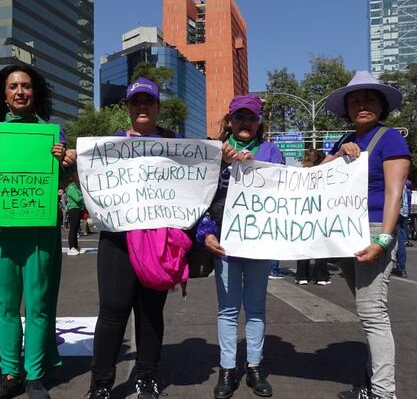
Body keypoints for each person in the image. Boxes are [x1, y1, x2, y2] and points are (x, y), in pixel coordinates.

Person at [0, 64, 76, 399]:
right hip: (1, 231)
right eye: (13, 86)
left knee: (39, 305)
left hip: (39, 234)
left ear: (36, 93)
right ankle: (9, 373)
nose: (20, 92)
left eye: (27, 86)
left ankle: (34, 375)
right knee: (4, 305)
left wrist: (66, 165)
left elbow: (62, 183)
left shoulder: (53, 135)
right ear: (3, 94)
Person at [85, 78, 185, 399]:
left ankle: (147, 378)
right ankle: (100, 383)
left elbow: (197, 181)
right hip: (117, 238)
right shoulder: (109, 144)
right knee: (112, 311)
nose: (142, 107)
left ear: (157, 107)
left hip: (158, 239)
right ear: (128, 108)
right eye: (135, 102)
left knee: (150, 312)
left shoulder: (175, 143)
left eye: (148, 101)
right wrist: (73, 161)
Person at [321, 71, 410, 399]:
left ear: (381, 105)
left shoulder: (390, 139)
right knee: (365, 307)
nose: (362, 105)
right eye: (355, 100)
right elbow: (318, 179)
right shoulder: (344, 139)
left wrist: (384, 239)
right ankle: (371, 385)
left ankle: (383, 393)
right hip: (345, 232)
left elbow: (393, 193)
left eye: (369, 99)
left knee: (373, 313)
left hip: (373, 231)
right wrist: (337, 154)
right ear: (347, 109)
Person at [197, 94, 283, 399]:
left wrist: (255, 166)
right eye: (239, 117)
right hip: (225, 245)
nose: (245, 122)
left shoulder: (272, 152)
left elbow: (285, 194)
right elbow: (201, 198)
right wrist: (206, 233)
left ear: (259, 122)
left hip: (260, 244)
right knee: (228, 310)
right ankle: (227, 369)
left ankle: (255, 368)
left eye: (251, 117)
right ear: (230, 121)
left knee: (256, 308)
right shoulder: (214, 153)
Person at [296, 148, 331, 285]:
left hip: (303, 214)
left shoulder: (300, 174)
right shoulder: (324, 174)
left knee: (303, 245)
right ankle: (321, 276)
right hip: (321, 213)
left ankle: (301, 276)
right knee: (321, 245)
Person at [391, 180, 411, 278]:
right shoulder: (403, 181)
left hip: (395, 210)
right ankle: (401, 268)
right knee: (401, 240)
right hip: (403, 212)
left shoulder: (391, 177)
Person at [66, 176, 86, 256]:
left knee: (76, 228)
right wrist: (85, 195)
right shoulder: (71, 188)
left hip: (77, 209)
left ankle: (75, 246)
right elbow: (77, 199)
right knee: (73, 229)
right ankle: (71, 247)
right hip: (73, 209)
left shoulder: (76, 187)